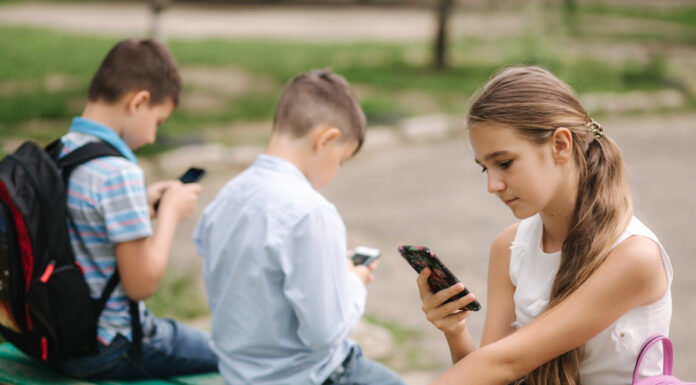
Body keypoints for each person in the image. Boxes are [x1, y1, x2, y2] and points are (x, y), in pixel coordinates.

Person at [416, 66, 672, 385]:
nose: (493, 185)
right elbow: (495, 373)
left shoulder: (634, 256)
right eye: (485, 169)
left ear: (560, 145)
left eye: (505, 163)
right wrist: (455, 331)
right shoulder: (509, 248)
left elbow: (505, 363)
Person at [193, 70, 406, 385]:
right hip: (310, 377)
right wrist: (353, 280)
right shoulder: (311, 212)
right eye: (341, 160)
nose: (336, 170)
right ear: (326, 140)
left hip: (239, 375)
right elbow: (325, 333)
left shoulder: (228, 194)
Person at [52, 38, 218, 379]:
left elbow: (80, 220)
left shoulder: (61, 151)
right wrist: (169, 214)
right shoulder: (119, 173)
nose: (154, 137)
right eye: (158, 121)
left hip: (53, 337)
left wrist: (140, 205)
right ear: (139, 102)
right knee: (225, 351)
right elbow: (141, 285)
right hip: (111, 346)